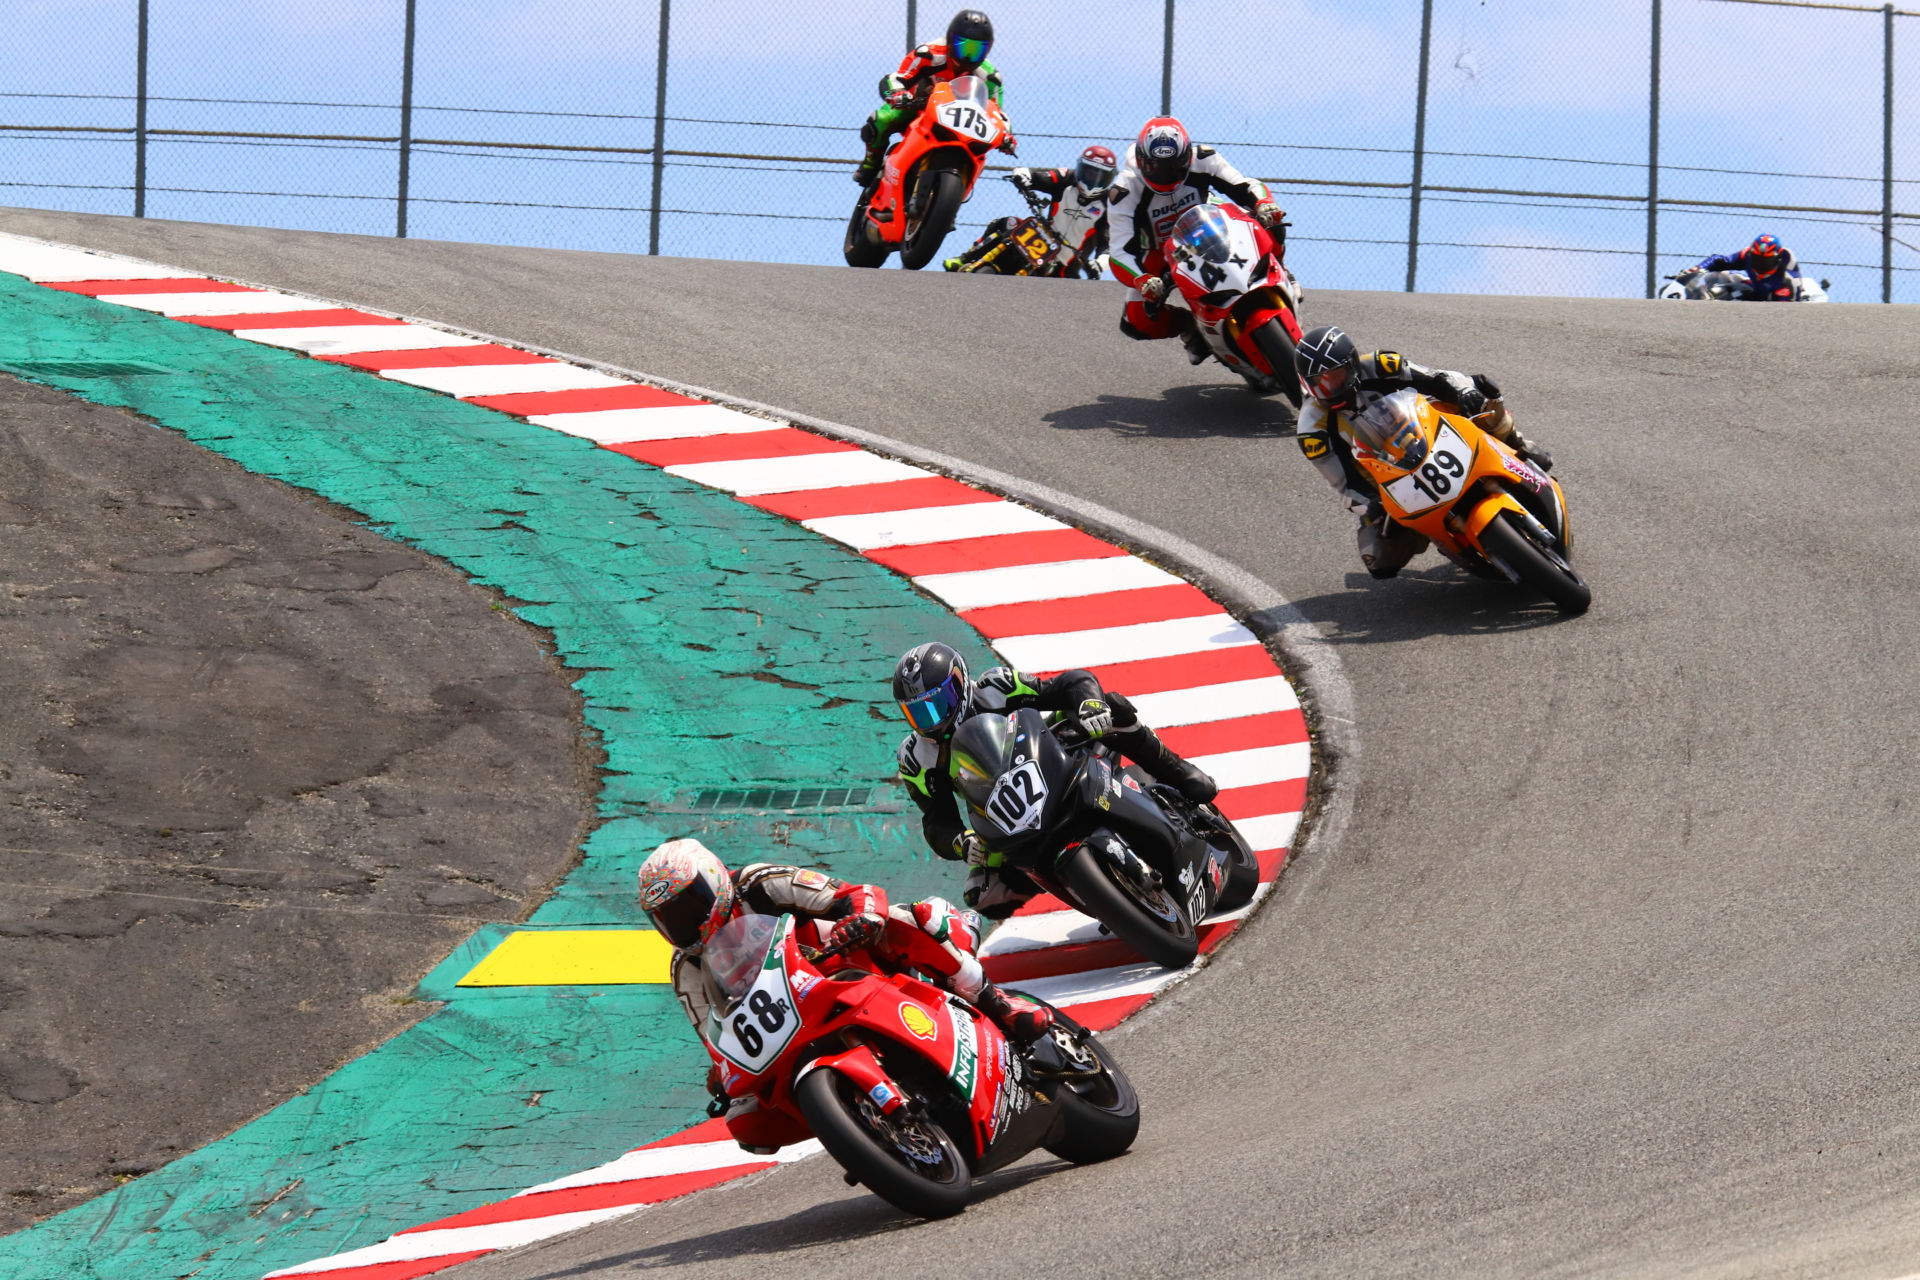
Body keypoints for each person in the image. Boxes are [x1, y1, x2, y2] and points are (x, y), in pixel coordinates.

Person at [639, 839, 1054, 1104]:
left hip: (840, 955)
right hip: (787, 1016)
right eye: (668, 918)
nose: (684, 923)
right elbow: (712, 1035)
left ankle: (995, 1004)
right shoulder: (686, 966)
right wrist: (721, 1073)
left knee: (905, 919)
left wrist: (860, 919)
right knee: (748, 1113)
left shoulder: (759, 884)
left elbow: (850, 894)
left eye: (689, 904)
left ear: (713, 879)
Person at [892, 641, 1217, 918]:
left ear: (960, 684)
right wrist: (959, 842)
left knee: (1111, 710)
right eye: (918, 713)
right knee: (984, 896)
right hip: (1004, 817)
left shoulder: (995, 687)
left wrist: (1089, 703)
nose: (932, 721)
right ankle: (1090, 890)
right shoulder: (916, 758)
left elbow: (1065, 686)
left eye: (938, 705)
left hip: (1052, 759)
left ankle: (1177, 771)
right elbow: (936, 821)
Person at [1291, 325, 1553, 580]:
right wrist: (1372, 505)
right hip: (1387, 478)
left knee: (1483, 398)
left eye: (1335, 377)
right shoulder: (1311, 430)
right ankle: (1444, 536)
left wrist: (1465, 391)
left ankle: (1518, 445)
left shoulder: (1382, 364)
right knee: (1379, 560)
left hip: (1430, 428)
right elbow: (1344, 484)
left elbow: (1436, 378)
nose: (1329, 389)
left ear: (1352, 364)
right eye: (1318, 383)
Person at [1107, 117, 1287, 365]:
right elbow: (1119, 252)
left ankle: (1281, 269)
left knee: (1269, 218)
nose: (1164, 175)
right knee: (1136, 321)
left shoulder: (1203, 158)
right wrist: (1142, 279)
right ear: (1140, 159)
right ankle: (1192, 329)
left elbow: (1245, 185)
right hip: (1161, 251)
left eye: (1173, 167)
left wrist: (1264, 203)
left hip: (1212, 225)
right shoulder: (1125, 190)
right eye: (1154, 167)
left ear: (1186, 157)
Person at [854, 10, 1012, 188]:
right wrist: (898, 94)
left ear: (987, 49)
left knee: (979, 152)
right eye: (963, 47)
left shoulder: (990, 77)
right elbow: (897, 78)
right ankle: (871, 163)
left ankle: (955, 188)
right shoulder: (928, 54)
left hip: (960, 124)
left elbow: (997, 113)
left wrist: (1005, 135)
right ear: (951, 41)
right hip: (916, 107)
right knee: (880, 120)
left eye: (976, 50)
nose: (967, 56)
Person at [942, 145, 1116, 276]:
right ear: (1080, 169)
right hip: (1041, 238)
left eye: (1099, 175)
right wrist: (1023, 176)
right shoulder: (1066, 178)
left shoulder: (1109, 206)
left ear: (1109, 178)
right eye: (1089, 172)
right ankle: (965, 259)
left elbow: (1108, 244)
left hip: (1065, 266)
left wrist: (1100, 263)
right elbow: (1037, 176)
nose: (1092, 179)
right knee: (1009, 223)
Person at [1678, 233, 1807, 301]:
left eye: (1765, 261)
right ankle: (1700, 296)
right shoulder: (1747, 255)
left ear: (1777, 260)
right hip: (1755, 290)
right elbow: (1719, 260)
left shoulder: (1788, 279)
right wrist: (1698, 269)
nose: (1760, 264)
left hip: (1773, 300)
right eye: (1757, 259)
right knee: (1721, 276)